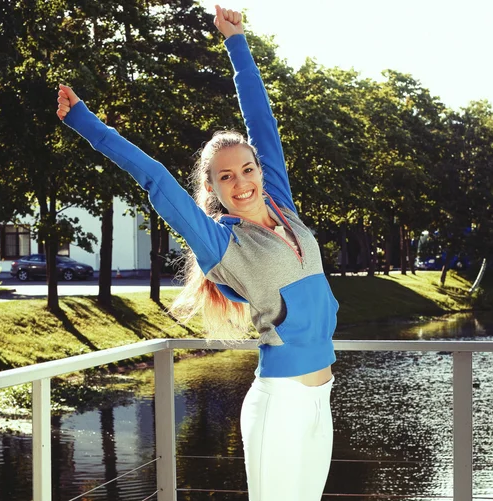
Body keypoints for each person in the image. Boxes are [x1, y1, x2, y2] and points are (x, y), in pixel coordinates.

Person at [57, 6, 338, 500]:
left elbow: (261, 120)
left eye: (247, 169)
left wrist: (236, 43)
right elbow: (155, 177)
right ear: (213, 188)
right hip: (283, 403)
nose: (242, 181)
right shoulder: (220, 243)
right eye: (226, 176)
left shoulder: (283, 208)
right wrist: (86, 123)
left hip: (321, 400)